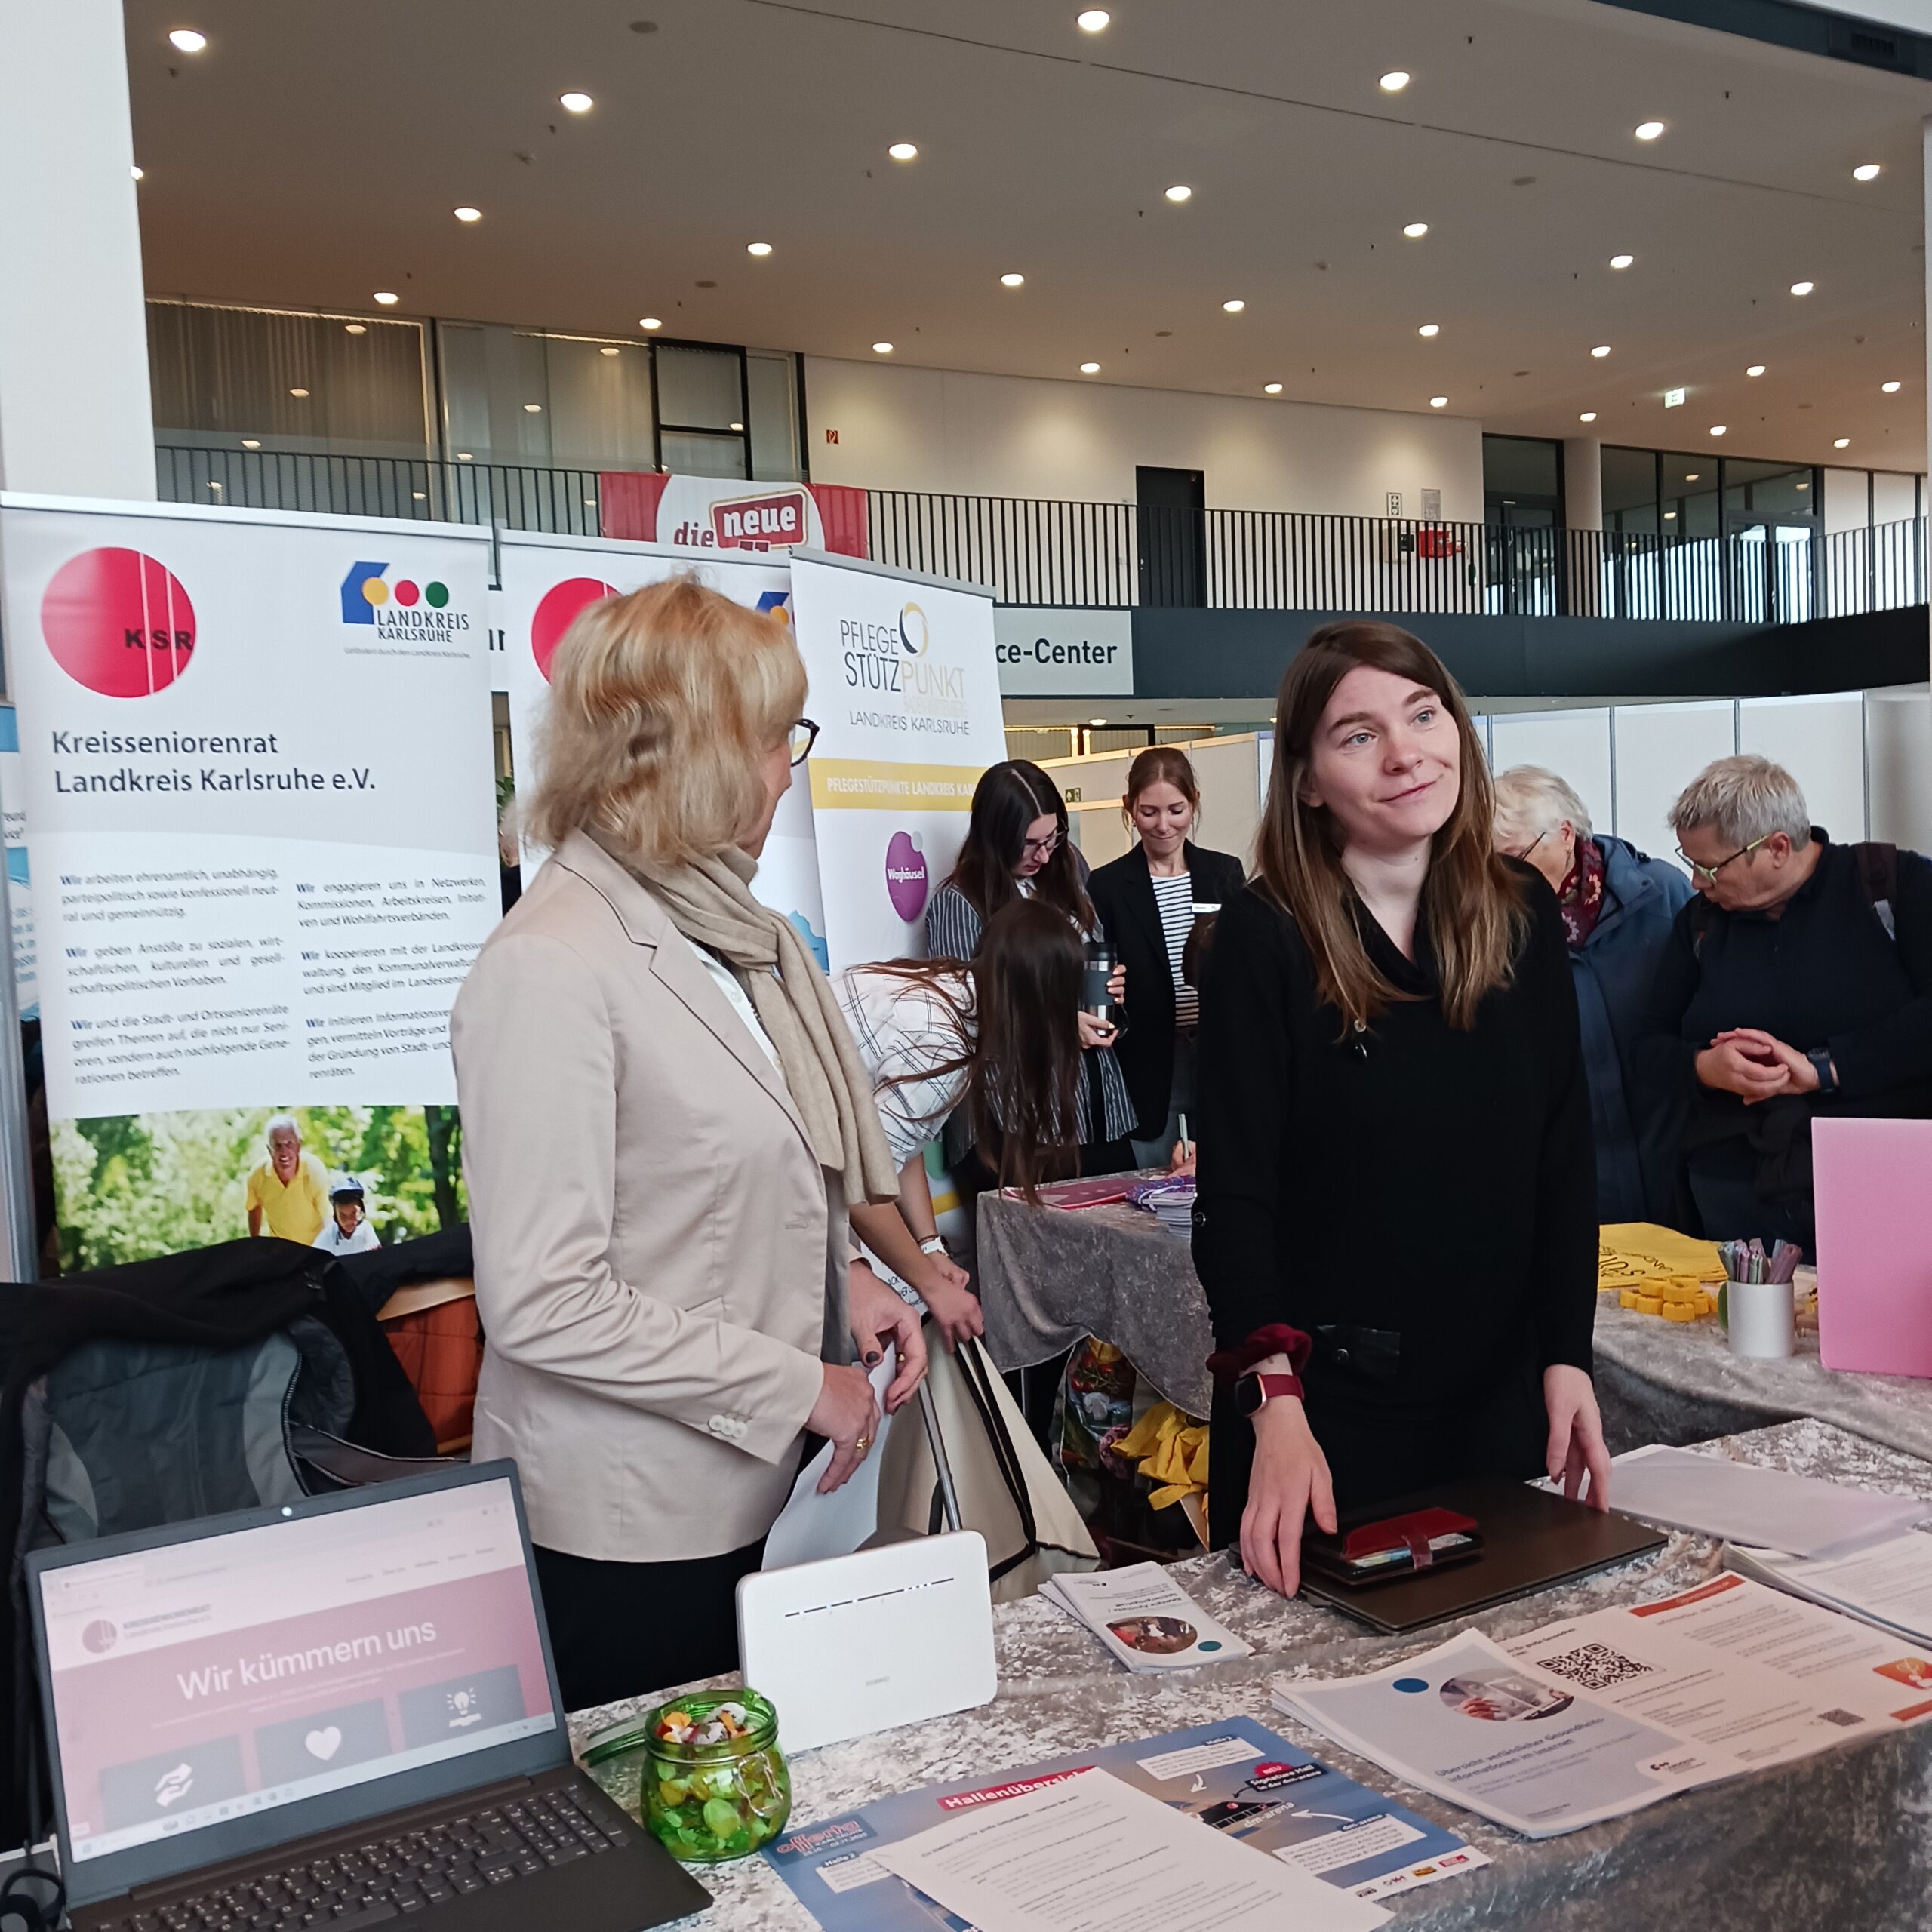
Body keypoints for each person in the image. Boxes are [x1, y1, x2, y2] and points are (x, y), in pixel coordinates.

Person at [451, 577, 926, 1708]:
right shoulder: (553, 962)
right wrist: (800, 1386)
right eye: (777, 739)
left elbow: (726, 1180)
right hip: (630, 1534)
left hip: (753, 1494)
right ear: (704, 754)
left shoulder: (732, 936)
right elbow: (543, 1299)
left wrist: (845, 1280)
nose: (788, 767)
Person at [1193, 620, 1609, 1599]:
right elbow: (1235, 1204)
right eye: (1357, 734)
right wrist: (1276, 1409)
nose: (1405, 752)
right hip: (1328, 1419)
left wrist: (1567, 1354)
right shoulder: (1267, 938)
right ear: (1306, 779)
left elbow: (1562, 1151)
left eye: (1423, 714)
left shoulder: (1518, 911)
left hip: (1497, 1404)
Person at [1636, 754, 1932, 1252]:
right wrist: (1706, 1067)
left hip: (1880, 1182)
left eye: (1710, 867)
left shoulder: (1892, 885)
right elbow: (1646, 1048)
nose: (1697, 883)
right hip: (1735, 1191)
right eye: (1691, 864)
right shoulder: (1701, 923)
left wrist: (1826, 1068)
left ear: (1777, 847)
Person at [836, 898, 1093, 1349]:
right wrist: (931, 1288)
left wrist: (930, 1248)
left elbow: (898, 1142)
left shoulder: (955, 989)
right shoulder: (943, 1044)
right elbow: (860, 1184)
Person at [1492, 765, 1693, 1226]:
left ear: (1564, 835)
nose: (1501, 876)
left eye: (1513, 856)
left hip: (1675, 1160)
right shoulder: (1494, 927)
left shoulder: (1662, 893)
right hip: (1580, 1175)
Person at [924, 759, 1136, 1175]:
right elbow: (966, 1013)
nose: (1044, 854)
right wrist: (1060, 1024)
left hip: (1097, 1106)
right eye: (1028, 843)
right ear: (994, 837)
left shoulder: (1068, 870)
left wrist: (1110, 992)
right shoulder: (959, 902)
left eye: (1053, 838)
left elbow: (1090, 956)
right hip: (1019, 1119)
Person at [1088, 747, 1246, 1169]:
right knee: (1154, 1179)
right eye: (1149, 812)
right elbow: (1101, 979)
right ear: (1129, 809)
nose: (1163, 826)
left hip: (1219, 1048)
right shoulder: (1106, 886)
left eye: (1176, 810)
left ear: (1194, 801)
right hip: (1148, 1059)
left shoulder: (1224, 873)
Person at [244, 1115, 329, 1244]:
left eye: (289, 1144)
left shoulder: (315, 1171)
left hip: (316, 1247)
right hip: (281, 1250)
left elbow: (328, 1219)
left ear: (298, 1146)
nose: (284, 1152)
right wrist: (255, 1245)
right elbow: (254, 1208)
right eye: (278, 1146)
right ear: (269, 1149)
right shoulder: (257, 1175)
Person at [312, 1172, 382, 1256]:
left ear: (361, 1210)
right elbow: (313, 1257)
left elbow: (376, 1254)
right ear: (335, 1215)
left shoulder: (366, 1229)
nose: (348, 1221)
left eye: (354, 1214)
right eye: (343, 1216)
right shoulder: (329, 1234)